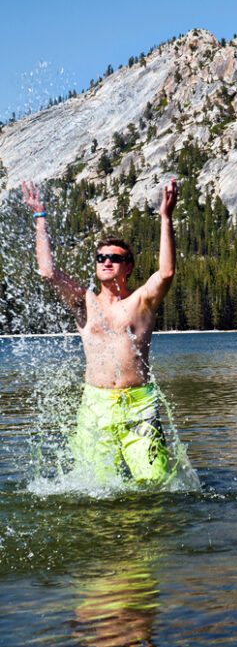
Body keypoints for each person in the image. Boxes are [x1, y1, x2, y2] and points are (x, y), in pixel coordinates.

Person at [22, 178, 179, 484]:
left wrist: (166, 217)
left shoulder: (141, 302)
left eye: (115, 258)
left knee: (155, 484)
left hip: (139, 405)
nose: (107, 262)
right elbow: (47, 272)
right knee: (97, 488)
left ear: (128, 266)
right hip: (96, 406)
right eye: (101, 258)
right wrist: (40, 218)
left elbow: (167, 272)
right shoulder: (84, 301)